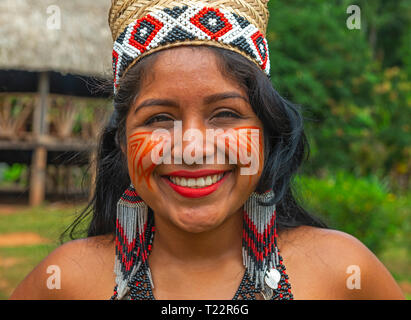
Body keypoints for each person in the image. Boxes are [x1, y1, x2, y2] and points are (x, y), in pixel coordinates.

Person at [10, 0, 404, 300]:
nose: (193, 148)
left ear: (266, 130)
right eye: (159, 119)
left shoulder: (342, 273)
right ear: (122, 140)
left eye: (225, 114)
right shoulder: (68, 281)